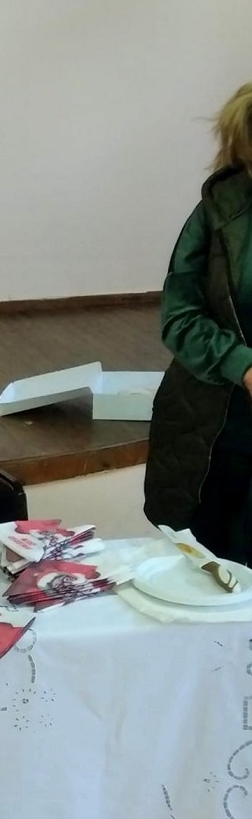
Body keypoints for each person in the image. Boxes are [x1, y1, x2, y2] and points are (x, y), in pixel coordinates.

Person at [145, 82, 252, 565]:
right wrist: (242, 365)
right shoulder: (217, 211)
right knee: (210, 569)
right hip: (215, 427)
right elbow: (179, 316)